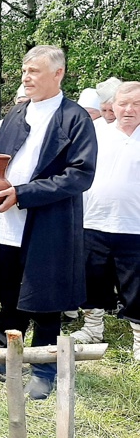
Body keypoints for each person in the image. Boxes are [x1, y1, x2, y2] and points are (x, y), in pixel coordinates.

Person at [0, 45, 97, 401]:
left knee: (45, 297)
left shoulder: (74, 119)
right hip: (8, 219)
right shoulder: (16, 113)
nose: (26, 77)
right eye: (25, 70)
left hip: (49, 223)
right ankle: (6, 355)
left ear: (58, 74)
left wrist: (24, 193)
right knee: (10, 289)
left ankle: (43, 369)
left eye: (35, 72)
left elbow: (80, 175)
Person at [70, 81, 140, 360]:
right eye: (124, 103)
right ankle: (92, 328)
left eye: (136, 104)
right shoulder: (96, 133)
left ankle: (138, 337)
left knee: (136, 284)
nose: (129, 109)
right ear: (113, 105)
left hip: (134, 226)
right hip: (93, 221)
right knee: (92, 277)